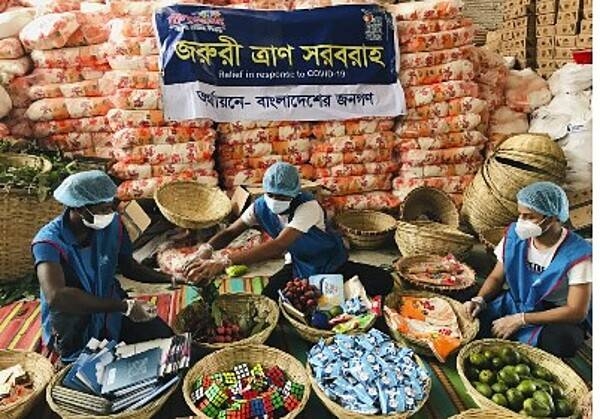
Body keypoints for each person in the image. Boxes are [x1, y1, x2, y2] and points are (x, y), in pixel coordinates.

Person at [184, 162, 394, 300]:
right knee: (268, 300)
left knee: (384, 281)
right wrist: (207, 249)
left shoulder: (308, 207)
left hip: (329, 263)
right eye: (271, 195)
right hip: (297, 266)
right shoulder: (259, 207)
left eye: (282, 197)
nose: (275, 201)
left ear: (295, 194)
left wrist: (224, 262)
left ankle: (339, 289)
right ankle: (329, 292)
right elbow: (230, 232)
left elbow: (279, 244)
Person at [32, 170, 176, 363]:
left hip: (110, 306)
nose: (111, 213)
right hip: (74, 319)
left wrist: (172, 278)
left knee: (166, 340)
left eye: (112, 206)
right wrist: (124, 307)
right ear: (80, 208)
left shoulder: (113, 225)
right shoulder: (48, 242)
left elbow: (129, 267)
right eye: (104, 209)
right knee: (88, 369)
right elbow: (57, 297)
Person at [464, 181, 592, 357]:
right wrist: (479, 299)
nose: (521, 222)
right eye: (520, 215)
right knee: (470, 311)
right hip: (518, 300)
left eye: (529, 216)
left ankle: (520, 337)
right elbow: (496, 278)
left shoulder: (578, 254)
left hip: (553, 313)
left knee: (563, 341)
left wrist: (521, 320)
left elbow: (576, 311)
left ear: (553, 217)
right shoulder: (515, 237)